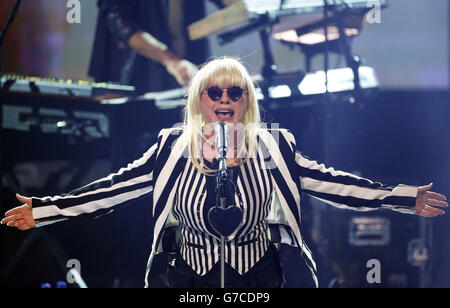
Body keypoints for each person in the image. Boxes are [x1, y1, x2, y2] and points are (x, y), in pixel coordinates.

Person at [2, 57, 447, 288]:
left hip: (257, 280)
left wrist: (401, 197)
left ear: (246, 101)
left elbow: (333, 184)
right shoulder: (171, 147)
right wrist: (44, 210)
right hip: (188, 279)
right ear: (200, 100)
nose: (225, 97)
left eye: (236, 91)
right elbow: (112, 190)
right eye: (214, 90)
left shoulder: (274, 145)